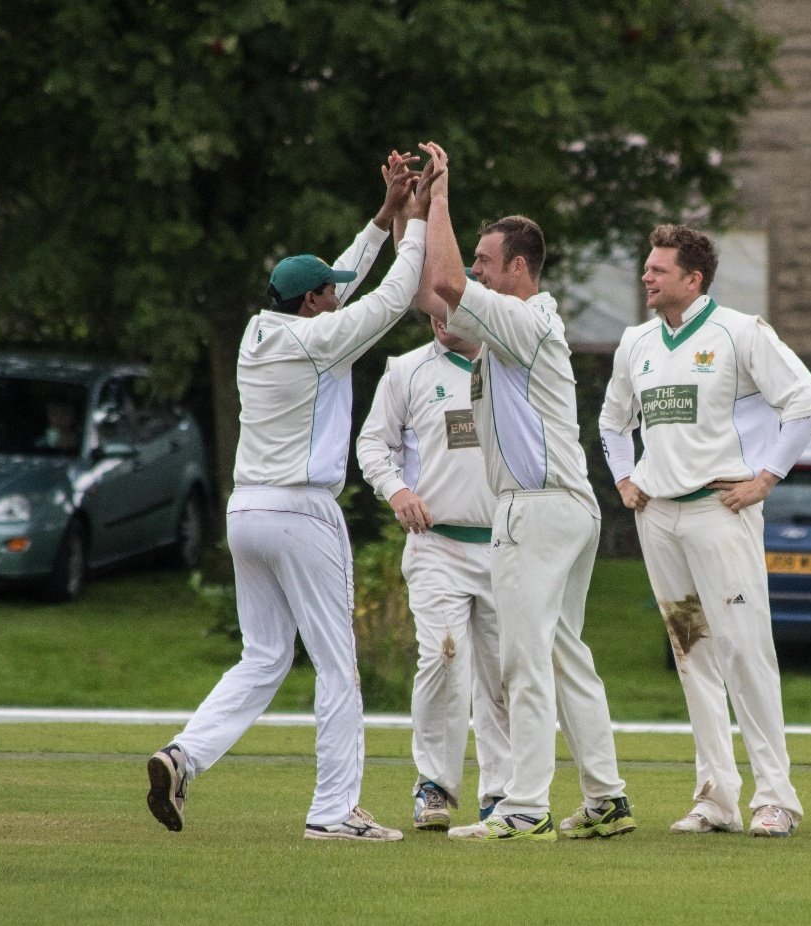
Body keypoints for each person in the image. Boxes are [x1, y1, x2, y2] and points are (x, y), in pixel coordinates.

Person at [145, 151, 433, 843]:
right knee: (337, 664)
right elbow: (392, 298)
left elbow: (344, 276)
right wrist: (417, 224)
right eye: (327, 292)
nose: (336, 296)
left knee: (264, 656)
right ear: (312, 304)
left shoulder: (257, 332)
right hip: (302, 511)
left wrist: (383, 216)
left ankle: (184, 755)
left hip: (246, 511)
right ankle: (334, 812)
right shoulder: (320, 341)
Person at [415, 141, 633, 843]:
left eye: (487, 260)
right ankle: (605, 796)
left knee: (522, 658)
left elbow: (448, 284)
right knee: (564, 653)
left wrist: (443, 195)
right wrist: (410, 218)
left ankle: (523, 807)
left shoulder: (524, 318)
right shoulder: (506, 330)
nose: (476, 269)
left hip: (534, 511)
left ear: (518, 267)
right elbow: (434, 298)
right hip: (565, 507)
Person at [598, 225, 811, 838]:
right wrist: (625, 479)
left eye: (659, 270)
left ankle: (775, 797)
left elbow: (805, 402)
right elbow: (612, 420)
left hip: (719, 511)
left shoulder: (740, 331)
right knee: (691, 652)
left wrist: (766, 479)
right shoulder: (636, 341)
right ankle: (716, 796)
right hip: (660, 517)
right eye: (646, 268)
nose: (646, 277)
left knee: (744, 649)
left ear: (693, 279)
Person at [356, 314, 510, 831]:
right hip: (435, 544)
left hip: (504, 544)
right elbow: (372, 443)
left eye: (451, 309)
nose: (440, 321)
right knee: (443, 658)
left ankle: (502, 794)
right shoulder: (407, 369)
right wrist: (396, 490)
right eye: (431, 312)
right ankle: (434, 788)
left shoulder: (507, 360)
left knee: (503, 673)